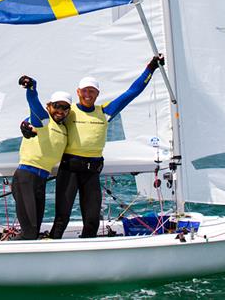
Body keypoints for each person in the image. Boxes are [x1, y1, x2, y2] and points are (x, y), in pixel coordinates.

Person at [23, 54, 165, 239]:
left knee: (92, 219)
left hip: (92, 171)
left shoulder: (104, 112)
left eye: (92, 92)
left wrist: (150, 69)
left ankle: (88, 248)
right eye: (84, 91)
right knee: (62, 216)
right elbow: (43, 116)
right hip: (69, 170)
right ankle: (53, 242)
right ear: (78, 92)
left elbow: (132, 92)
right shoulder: (67, 110)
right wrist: (24, 125)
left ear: (97, 94)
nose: (88, 95)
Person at [12, 78, 71, 240]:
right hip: (26, 178)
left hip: (41, 180)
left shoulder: (65, 128)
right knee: (30, 231)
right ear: (49, 106)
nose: (61, 110)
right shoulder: (44, 121)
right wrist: (32, 88)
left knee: (34, 230)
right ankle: (0, 258)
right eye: (57, 106)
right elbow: (33, 104)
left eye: (65, 107)